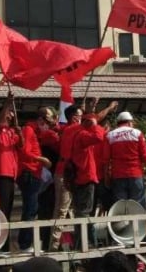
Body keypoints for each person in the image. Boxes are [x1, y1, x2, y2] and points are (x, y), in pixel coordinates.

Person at [0, 92, 22, 252]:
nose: (10, 118)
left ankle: (5, 247)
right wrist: (8, 102)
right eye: (8, 115)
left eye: (11, 116)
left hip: (9, 176)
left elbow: (20, 145)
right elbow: (1, 120)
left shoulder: (11, 132)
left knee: (6, 213)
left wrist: (19, 131)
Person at [69, 113, 106, 248]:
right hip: (86, 178)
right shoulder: (83, 135)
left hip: (81, 178)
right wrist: (95, 125)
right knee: (85, 212)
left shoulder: (78, 135)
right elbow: (99, 137)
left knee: (83, 212)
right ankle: (83, 244)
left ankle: (86, 243)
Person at [50, 104, 83, 251]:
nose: (82, 119)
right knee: (61, 210)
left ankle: (71, 244)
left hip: (74, 173)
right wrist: (108, 108)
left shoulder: (67, 130)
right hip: (64, 173)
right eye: (80, 116)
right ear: (73, 117)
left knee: (72, 210)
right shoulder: (71, 129)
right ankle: (54, 245)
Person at [27, 106, 61, 251]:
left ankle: (52, 246)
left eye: (47, 117)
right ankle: (40, 245)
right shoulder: (32, 131)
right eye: (41, 116)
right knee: (40, 212)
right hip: (38, 179)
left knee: (54, 213)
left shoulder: (56, 133)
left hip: (55, 180)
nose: (44, 120)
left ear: (55, 119)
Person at [16, 119, 52, 252]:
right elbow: (25, 151)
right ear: (41, 121)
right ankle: (25, 244)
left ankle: (25, 243)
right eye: (47, 123)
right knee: (30, 209)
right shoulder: (28, 130)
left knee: (31, 208)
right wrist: (42, 159)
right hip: (29, 172)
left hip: (33, 173)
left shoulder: (33, 132)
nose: (48, 127)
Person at [105, 111, 146, 208]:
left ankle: (122, 223)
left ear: (118, 123)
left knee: (120, 207)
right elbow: (145, 155)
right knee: (137, 206)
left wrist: (106, 177)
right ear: (129, 122)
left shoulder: (110, 135)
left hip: (118, 176)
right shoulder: (137, 133)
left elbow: (106, 159)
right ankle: (137, 223)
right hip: (136, 175)